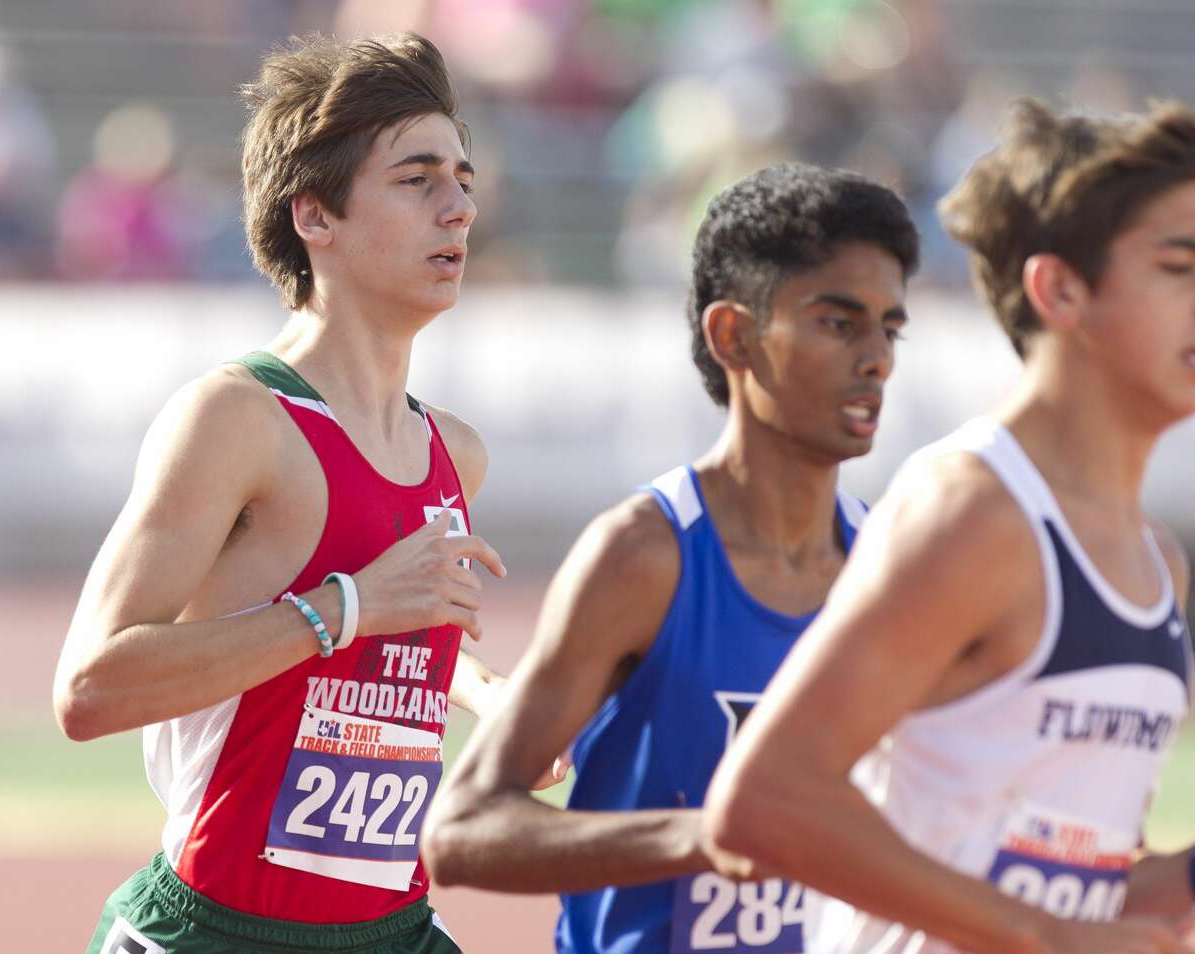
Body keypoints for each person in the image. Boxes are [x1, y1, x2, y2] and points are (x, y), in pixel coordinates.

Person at [54, 33, 515, 954]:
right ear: (316, 216)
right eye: (417, 179)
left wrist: (497, 701)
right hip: (215, 932)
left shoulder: (453, 454)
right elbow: (90, 690)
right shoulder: (238, 419)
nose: (460, 206)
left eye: (462, 177)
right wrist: (343, 608)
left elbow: (398, 643)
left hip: (393, 931)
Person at [702, 99, 1195, 954]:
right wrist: (1044, 936)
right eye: (1181, 265)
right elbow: (762, 800)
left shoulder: (1156, 563)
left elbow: (1081, 886)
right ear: (1060, 288)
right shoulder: (974, 511)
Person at [421, 162, 920, 954]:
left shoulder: (891, 568)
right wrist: (707, 838)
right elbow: (465, 828)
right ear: (734, 335)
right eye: (838, 323)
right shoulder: (645, 556)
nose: (877, 359)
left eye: (888, 328)